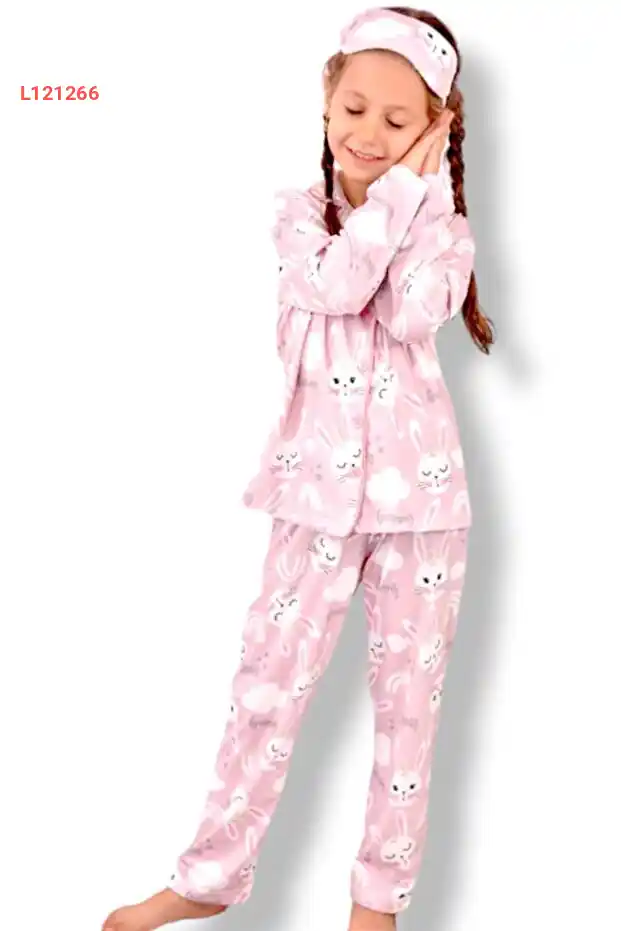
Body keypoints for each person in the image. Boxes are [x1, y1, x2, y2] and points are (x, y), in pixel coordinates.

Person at [102, 5, 494, 930]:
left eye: (398, 121)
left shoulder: (445, 234)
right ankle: (208, 876)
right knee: (264, 691)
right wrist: (396, 194)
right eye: (355, 109)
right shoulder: (296, 220)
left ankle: (377, 904)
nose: (369, 134)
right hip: (312, 500)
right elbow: (341, 284)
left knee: (408, 714)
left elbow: (409, 313)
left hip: (422, 509)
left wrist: (416, 194)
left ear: (434, 129)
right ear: (325, 101)